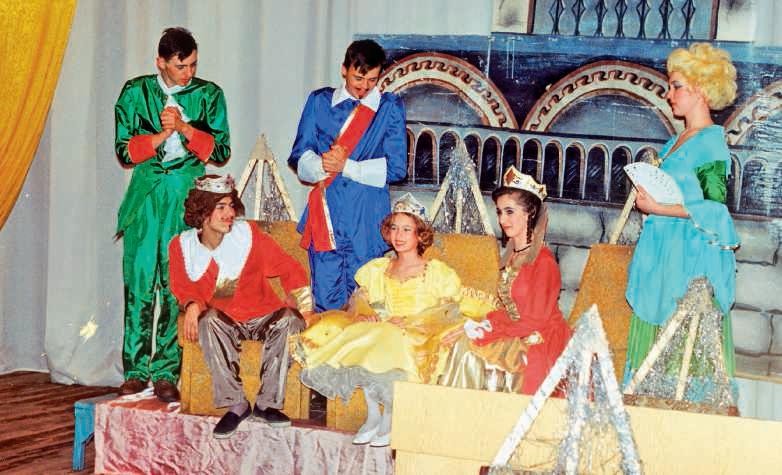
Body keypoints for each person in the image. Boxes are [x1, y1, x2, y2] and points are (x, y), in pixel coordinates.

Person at [292, 194, 465, 447]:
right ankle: (374, 414)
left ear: (421, 235)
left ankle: (390, 416)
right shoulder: (379, 268)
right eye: (394, 228)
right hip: (386, 327)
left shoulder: (437, 271)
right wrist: (365, 312)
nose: (398, 235)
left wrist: (414, 322)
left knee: (386, 336)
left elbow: (449, 309)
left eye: (407, 229)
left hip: (419, 332)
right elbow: (359, 298)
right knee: (368, 332)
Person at [114, 27, 230, 401]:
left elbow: (221, 151)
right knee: (139, 280)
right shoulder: (135, 92)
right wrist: (162, 136)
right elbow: (124, 152)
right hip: (147, 195)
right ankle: (135, 369)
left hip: (184, 194)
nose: (188, 73)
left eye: (193, 64)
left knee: (176, 282)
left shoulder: (208, 95)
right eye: (181, 66)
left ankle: (166, 371)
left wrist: (183, 128)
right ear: (161, 62)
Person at [623, 43, 739, 397]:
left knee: (682, 344)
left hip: (688, 255)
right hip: (662, 250)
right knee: (654, 344)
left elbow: (715, 209)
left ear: (701, 90)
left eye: (676, 86)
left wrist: (660, 208)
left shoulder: (711, 143)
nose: (668, 94)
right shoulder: (676, 140)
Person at [168, 175, 313, 438]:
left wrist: (304, 306)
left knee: (292, 319)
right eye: (221, 207)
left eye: (231, 206)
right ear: (202, 212)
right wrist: (191, 304)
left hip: (263, 315)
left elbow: (289, 267)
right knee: (208, 320)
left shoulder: (248, 236)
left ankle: (267, 404)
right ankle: (237, 405)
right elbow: (182, 285)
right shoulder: (182, 246)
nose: (230, 214)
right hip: (224, 320)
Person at [288, 39, 407, 312]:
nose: (364, 87)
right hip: (326, 213)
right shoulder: (320, 101)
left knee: (365, 305)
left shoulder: (388, 107)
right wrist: (323, 164)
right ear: (344, 69)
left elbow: (397, 168)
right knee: (325, 304)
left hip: (367, 218)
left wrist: (347, 166)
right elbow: (299, 155)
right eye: (358, 78)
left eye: (372, 80)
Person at [440, 166, 572, 396]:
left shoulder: (543, 261)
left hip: (540, 339)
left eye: (509, 212)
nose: (502, 219)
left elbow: (535, 320)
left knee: (468, 352)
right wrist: (478, 324)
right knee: (459, 341)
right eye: (500, 212)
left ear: (530, 213)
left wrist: (486, 331)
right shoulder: (512, 255)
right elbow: (509, 310)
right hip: (518, 331)